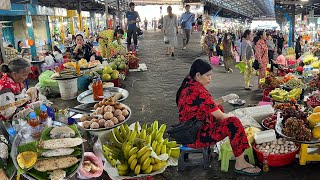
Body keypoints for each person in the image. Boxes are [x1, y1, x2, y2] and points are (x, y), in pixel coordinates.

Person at [176, 59, 261, 176]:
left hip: (190, 129)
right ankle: (240, 164)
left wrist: (225, 98)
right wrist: (238, 121)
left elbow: (207, 105)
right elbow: (222, 118)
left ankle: (234, 144)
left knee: (220, 108)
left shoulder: (188, 84)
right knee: (233, 123)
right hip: (195, 136)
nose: (210, 78)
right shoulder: (198, 91)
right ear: (198, 75)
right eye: (208, 76)